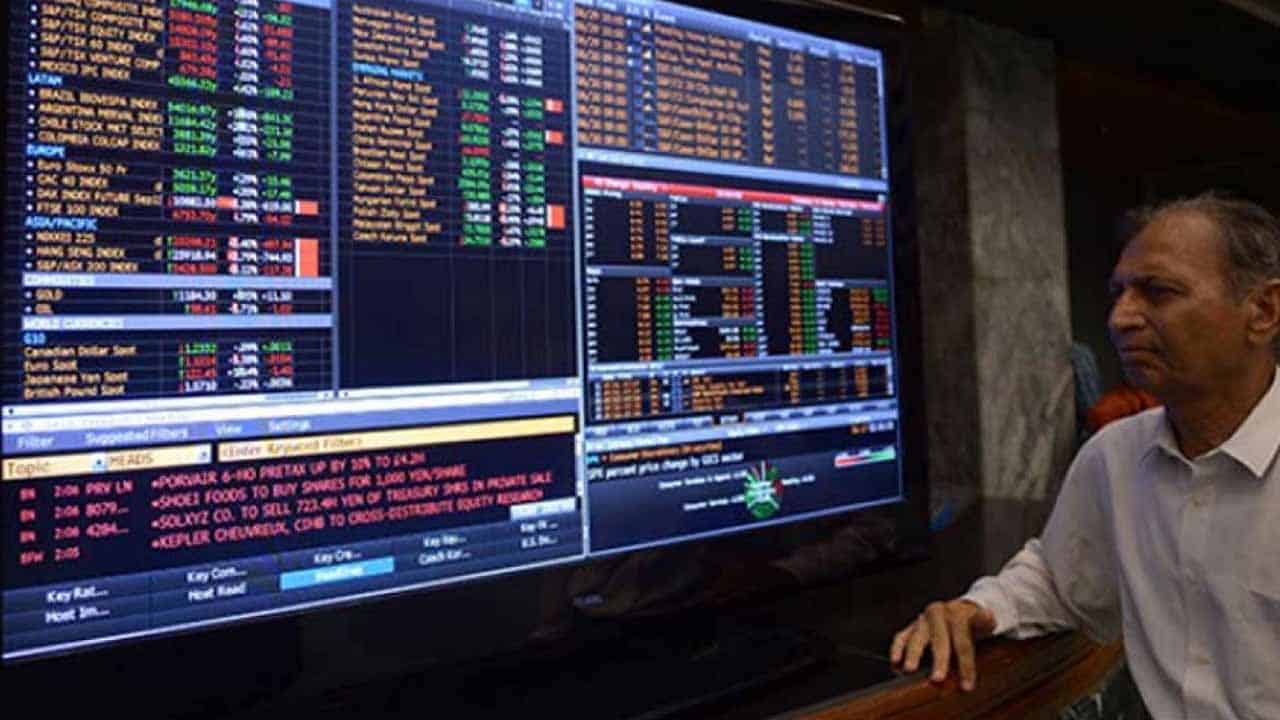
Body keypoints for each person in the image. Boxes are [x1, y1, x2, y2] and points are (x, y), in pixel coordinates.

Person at [888, 192, 1280, 718]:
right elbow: (1060, 578)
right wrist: (980, 608)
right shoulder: (1117, 456)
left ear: (1264, 311)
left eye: (1158, 292)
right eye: (1118, 293)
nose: (1121, 317)